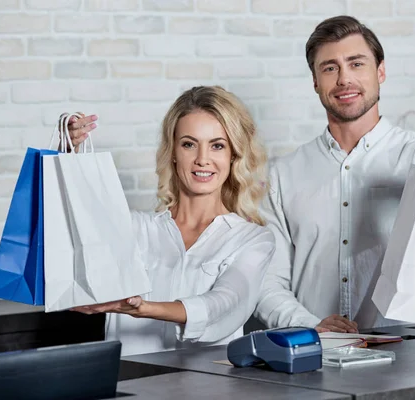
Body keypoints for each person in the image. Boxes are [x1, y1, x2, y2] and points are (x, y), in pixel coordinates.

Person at [253, 16, 415, 333]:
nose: (344, 79)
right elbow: (266, 280)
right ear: (315, 81)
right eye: (330, 68)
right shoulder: (282, 175)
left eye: (356, 63)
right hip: (315, 355)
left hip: (409, 355)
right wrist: (309, 325)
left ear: (380, 71)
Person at [62, 86, 275, 356]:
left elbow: (224, 304)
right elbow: (66, 231)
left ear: (233, 155)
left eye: (217, 145)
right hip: (131, 386)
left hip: (210, 389)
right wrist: (65, 155)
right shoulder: (132, 229)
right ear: (173, 152)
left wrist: (142, 308)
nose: (202, 159)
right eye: (189, 144)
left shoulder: (252, 239)